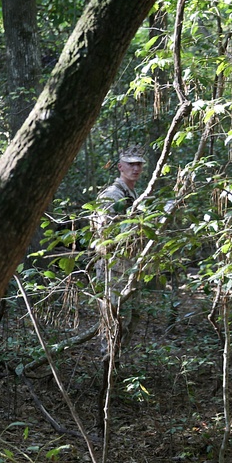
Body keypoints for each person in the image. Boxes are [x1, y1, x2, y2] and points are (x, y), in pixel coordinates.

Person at [92, 145, 146, 383]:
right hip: (112, 267)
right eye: (130, 163)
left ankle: (117, 363)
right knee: (112, 318)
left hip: (129, 266)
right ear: (120, 166)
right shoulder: (110, 196)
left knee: (131, 317)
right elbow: (105, 232)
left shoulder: (134, 195)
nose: (135, 168)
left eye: (139, 164)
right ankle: (108, 372)